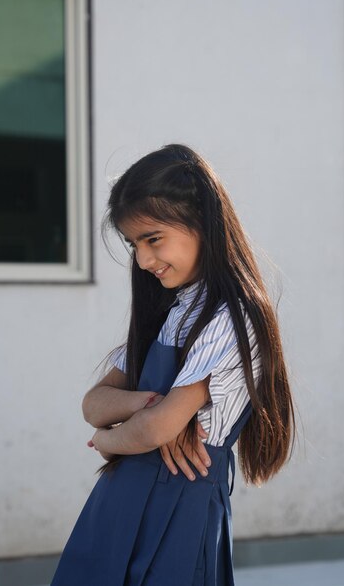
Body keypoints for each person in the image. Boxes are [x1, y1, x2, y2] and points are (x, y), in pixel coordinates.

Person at [50, 143, 295, 586]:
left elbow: (157, 429)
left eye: (153, 239)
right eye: (134, 244)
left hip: (180, 502)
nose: (143, 260)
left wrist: (111, 442)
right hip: (120, 498)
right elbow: (95, 404)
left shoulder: (232, 318)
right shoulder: (172, 311)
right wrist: (147, 409)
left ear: (202, 221)